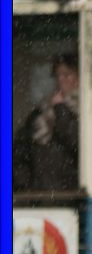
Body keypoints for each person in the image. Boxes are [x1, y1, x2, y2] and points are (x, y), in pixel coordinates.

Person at [14, 52, 80, 192]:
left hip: (69, 194)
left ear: (79, 77)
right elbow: (20, 149)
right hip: (40, 194)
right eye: (58, 75)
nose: (61, 80)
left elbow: (74, 141)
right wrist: (24, 183)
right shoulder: (43, 109)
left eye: (67, 74)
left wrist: (61, 109)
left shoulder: (86, 110)